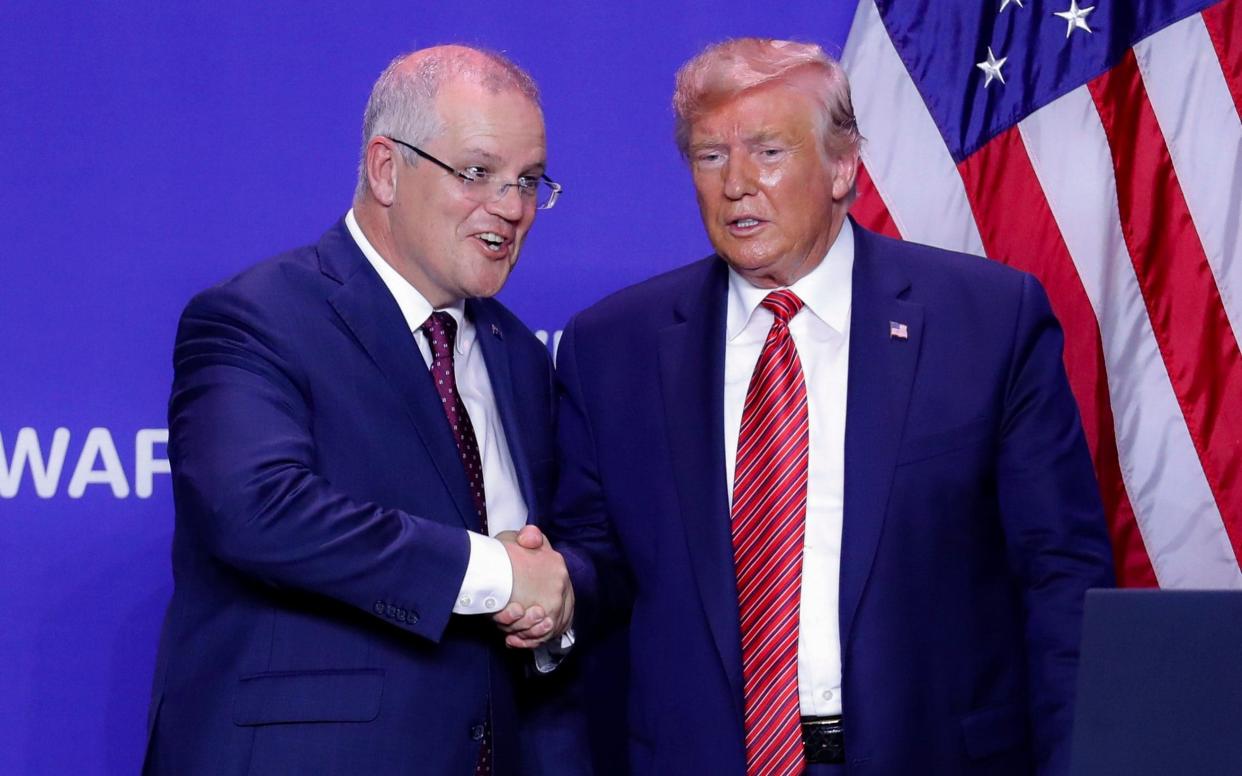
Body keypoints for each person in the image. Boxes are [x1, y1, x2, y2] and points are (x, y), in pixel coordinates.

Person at [543, 38, 1114, 775]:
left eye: (768, 151)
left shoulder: (987, 322)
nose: (737, 184)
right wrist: (550, 584)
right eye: (710, 156)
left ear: (842, 166)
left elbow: (1060, 576)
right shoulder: (611, 345)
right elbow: (599, 564)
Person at [143, 45, 579, 776]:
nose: (510, 207)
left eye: (529, 181)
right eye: (478, 173)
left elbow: (544, 571)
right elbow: (255, 509)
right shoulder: (257, 316)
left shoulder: (517, 356)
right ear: (385, 168)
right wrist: (496, 574)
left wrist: (548, 606)